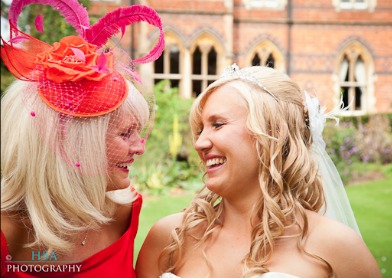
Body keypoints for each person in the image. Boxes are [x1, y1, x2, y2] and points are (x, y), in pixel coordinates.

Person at [136, 65, 381, 278]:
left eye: (218, 124)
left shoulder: (338, 247)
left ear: (272, 133)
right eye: (200, 130)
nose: (200, 143)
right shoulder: (169, 237)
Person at [1, 0, 164, 277]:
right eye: (125, 133)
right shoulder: (8, 231)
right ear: (70, 143)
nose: (140, 147)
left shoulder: (124, 212)